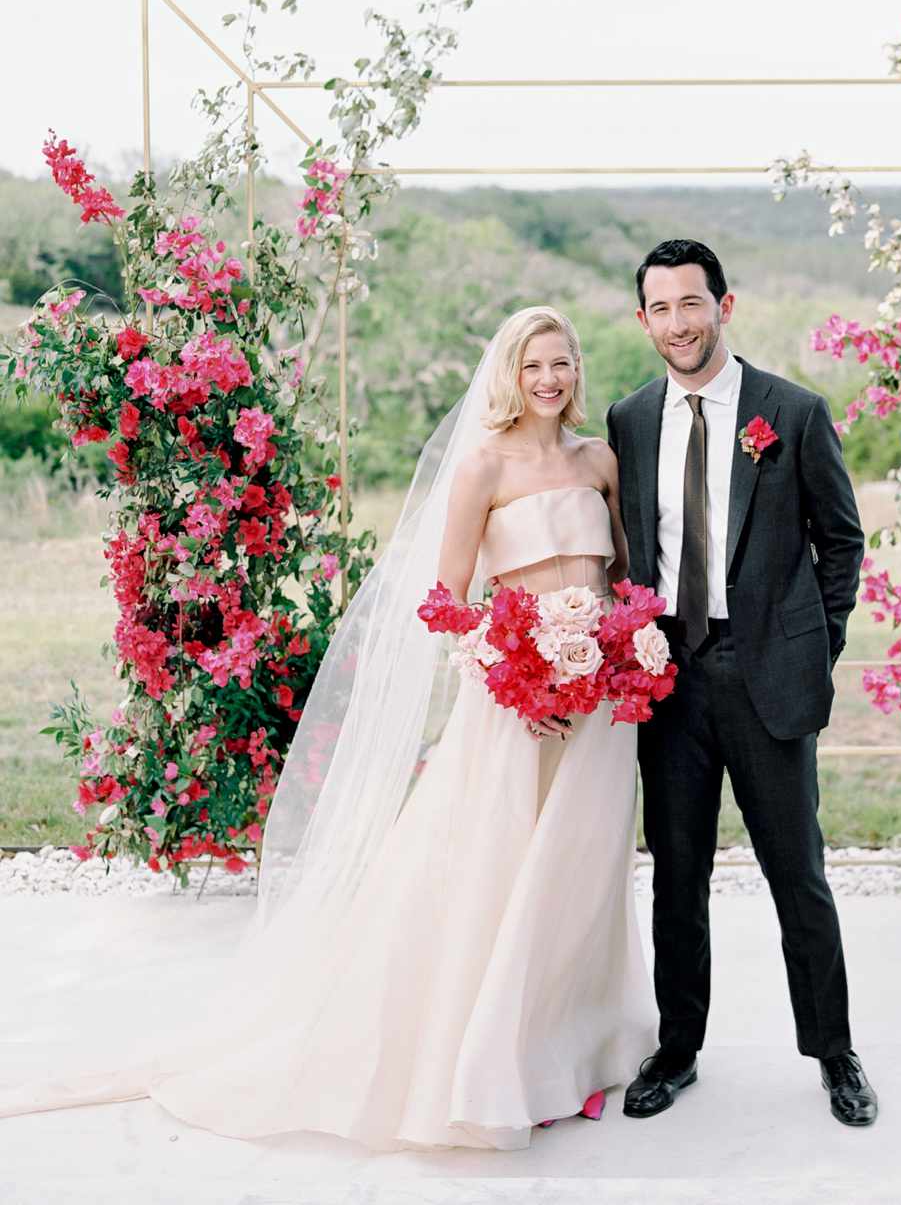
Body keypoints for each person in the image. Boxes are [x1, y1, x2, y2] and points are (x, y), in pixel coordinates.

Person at [1, 306, 658, 1150]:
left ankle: (570, 1047)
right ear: (509, 372)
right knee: (499, 867)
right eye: (533, 364)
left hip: (597, 703)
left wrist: (609, 651)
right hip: (517, 705)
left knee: (578, 866)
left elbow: (626, 575)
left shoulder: (598, 459)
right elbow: (450, 602)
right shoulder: (482, 466)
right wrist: (520, 672)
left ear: (577, 370)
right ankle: (495, 1058)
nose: (549, 379)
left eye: (562, 362)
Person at [606, 239, 877, 1128]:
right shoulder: (629, 417)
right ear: (643, 318)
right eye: (661, 308)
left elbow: (840, 539)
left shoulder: (790, 412)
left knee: (798, 873)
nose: (678, 322)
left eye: (693, 303)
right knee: (675, 875)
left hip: (767, 675)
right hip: (668, 681)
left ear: (727, 305)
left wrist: (816, 641)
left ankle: (834, 1051)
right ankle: (678, 1046)